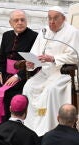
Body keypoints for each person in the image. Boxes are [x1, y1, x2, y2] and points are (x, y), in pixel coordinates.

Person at [23, 6, 79, 136]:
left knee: (50, 91)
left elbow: (75, 56)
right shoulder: (44, 31)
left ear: (63, 19)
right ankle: (30, 127)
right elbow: (34, 53)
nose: (51, 22)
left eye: (55, 19)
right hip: (44, 73)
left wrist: (53, 58)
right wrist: (31, 62)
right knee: (28, 87)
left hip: (62, 73)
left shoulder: (72, 32)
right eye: (49, 18)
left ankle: (49, 129)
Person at [0, 9, 38, 125]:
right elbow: (1, 60)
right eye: (16, 20)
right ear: (10, 23)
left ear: (27, 21)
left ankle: (7, 124)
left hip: (23, 76)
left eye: (22, 20)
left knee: (11, 93)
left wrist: (18, 76)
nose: (20, 22)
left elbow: (35, 63)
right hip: (5, 75)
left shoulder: (34, 36)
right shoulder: (6, 36)